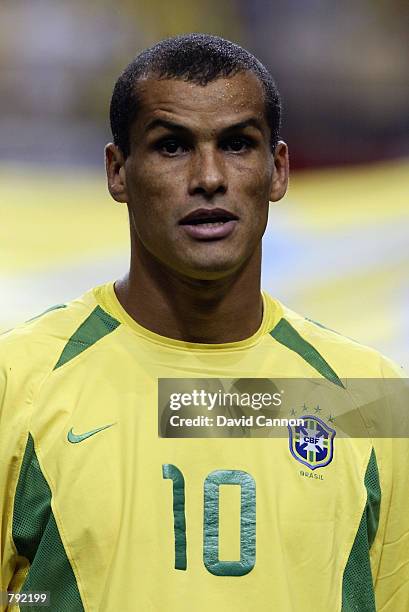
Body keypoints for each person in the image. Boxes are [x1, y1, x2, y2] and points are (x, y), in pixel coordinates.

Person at [0, 33, 408, 612]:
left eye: (239, 144)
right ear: (118, 171)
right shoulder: (18, 380)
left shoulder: (366, 397)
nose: (209, 177)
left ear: (278, 170)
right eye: (172, 147)